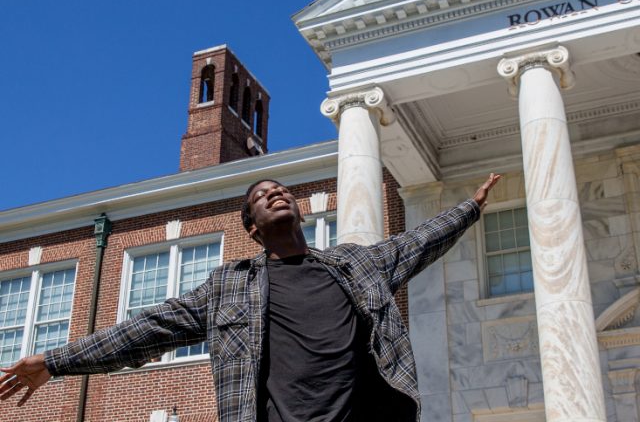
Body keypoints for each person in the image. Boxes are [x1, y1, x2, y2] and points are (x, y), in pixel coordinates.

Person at [0, 174, 500, 421]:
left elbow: (418, 242)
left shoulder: (356, 265)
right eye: (263, 196)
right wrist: (58, 361)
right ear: (252, 228)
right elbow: (147, 329)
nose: (277, 195)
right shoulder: (228, 288)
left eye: (283, 191)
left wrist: (471, 208)